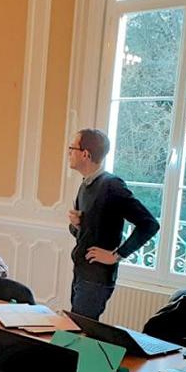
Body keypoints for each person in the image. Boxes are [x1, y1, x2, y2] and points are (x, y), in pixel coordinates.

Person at [68, 128, 159, 320]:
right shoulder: (85, 185)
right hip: (81, 272)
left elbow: (149, 224)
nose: (68, 153)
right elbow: (88, 233)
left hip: (97, 279)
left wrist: (117, 255)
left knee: (79, 333)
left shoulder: (112, 186)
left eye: (72, 148)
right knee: (76, 331)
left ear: (85, 154)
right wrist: (76, 225)